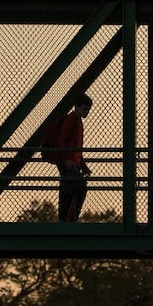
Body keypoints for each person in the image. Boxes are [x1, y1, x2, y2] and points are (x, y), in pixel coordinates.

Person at [56, 93, 92, 223]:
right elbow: (62, 140)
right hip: (68, 163)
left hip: (72, 163)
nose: (87, 112)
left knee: (74, 188)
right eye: (85, 109)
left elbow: (77, 148)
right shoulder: (71, 119)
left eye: (88, 110)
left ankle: (68, 218)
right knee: (76, 187)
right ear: (77, 107)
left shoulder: (77, 121)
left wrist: (83, 166)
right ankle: (67, 218)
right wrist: (67, 160)